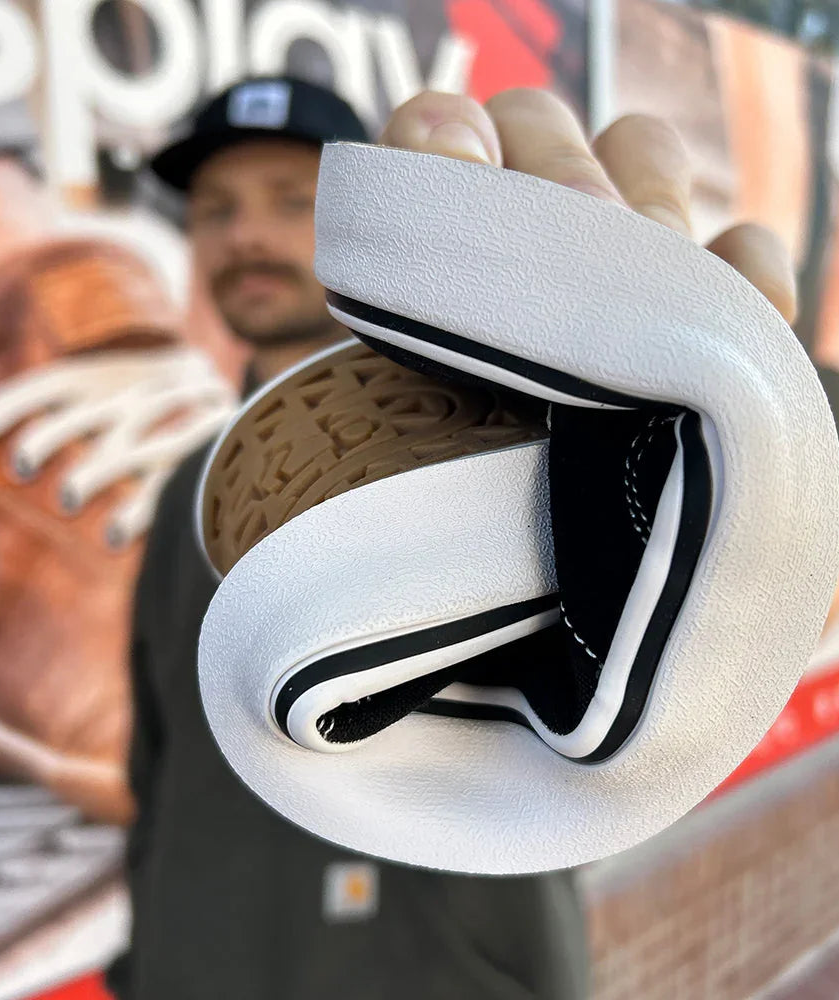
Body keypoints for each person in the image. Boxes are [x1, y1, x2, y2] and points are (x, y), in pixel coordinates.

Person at [108, 75, 795, 999]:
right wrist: (145, 949)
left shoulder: (524, 451)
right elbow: (159, 757)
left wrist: (685, 495)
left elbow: (627, 735)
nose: (245, 236)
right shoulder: (189, 489)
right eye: (217, 208)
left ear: (363, 215)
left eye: (290, 199)